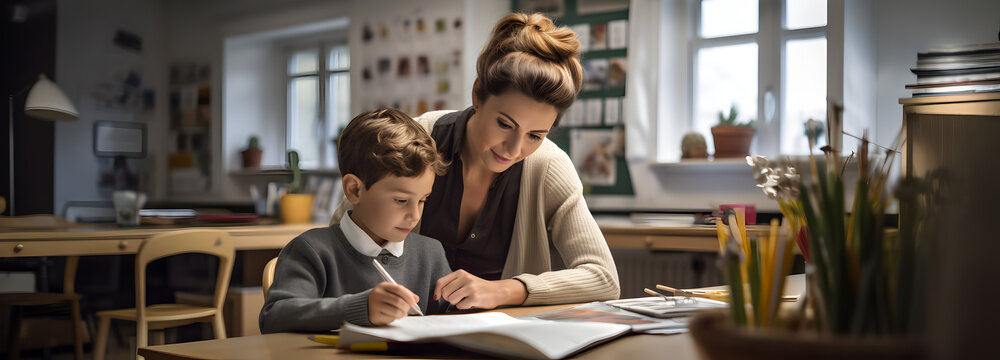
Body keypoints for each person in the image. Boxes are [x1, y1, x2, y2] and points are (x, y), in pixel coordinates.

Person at [332, 13, 620, 310]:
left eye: (535, 135)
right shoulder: (417, 139)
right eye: (505, 124)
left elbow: (604, 278)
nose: (514, 149)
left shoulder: (548, 166)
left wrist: (505, 290)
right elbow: (337, 242)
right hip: (400, 332)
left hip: (503, 337)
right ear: (478, 95)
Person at [259, 108, 450, 333]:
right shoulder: (312, 250)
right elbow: (275, 317)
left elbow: (454, 324)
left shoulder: (431, 254)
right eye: (401, 200)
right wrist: (360, 308)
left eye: (423, 200)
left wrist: (472, 299)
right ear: (354, 190)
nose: (415, 215)